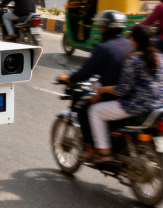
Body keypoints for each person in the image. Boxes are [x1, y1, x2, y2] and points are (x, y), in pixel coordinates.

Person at [87, 25, 163, 163]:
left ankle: (105, 152)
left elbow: (123, 90)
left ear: (134, 40)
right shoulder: (162, 57)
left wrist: (102, 90)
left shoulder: (133, 59)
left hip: (140, 106)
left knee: (95, 111)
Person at [56, 10, 132, 158]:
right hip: (132, 94)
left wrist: (69, 78)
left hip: (115, 95)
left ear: (103, 28)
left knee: (84, 108)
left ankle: (92, 149)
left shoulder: (103, 48)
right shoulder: (131, 44)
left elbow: (85, 73)